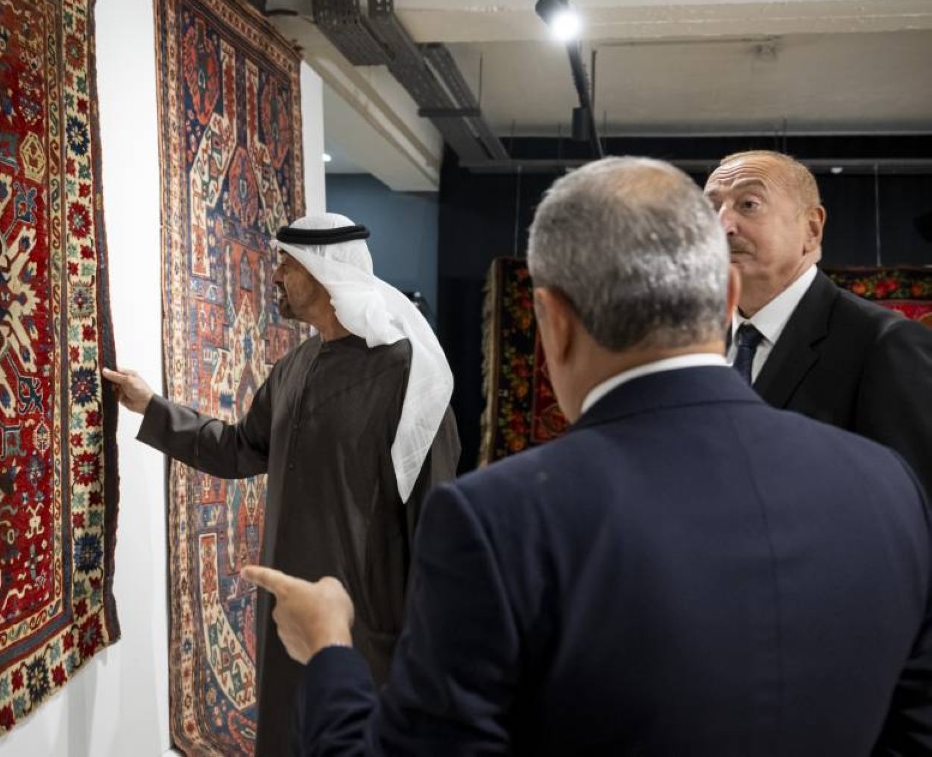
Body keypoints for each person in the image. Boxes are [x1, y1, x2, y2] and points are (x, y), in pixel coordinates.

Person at [244, 157, 932, 755]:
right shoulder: (888, 486)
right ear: (725, 297)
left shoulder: (495, 521)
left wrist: (328, 651)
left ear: (554, 320)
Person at [103, 213, 460, 757]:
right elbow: (239, 447)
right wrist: (152, 407)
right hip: (289, 615)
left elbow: (435, 521)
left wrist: (428, 651)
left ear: (324, 273)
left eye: (286, 265)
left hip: (368, 625)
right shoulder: (294, 367)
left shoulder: (408, 377)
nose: (275, 277)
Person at [705, 149, 932, 494]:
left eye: (749, 204)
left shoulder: (883, 343)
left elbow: (915, 502)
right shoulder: (697, 344)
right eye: (709, 209)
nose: (723, 225)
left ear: (811, 228)